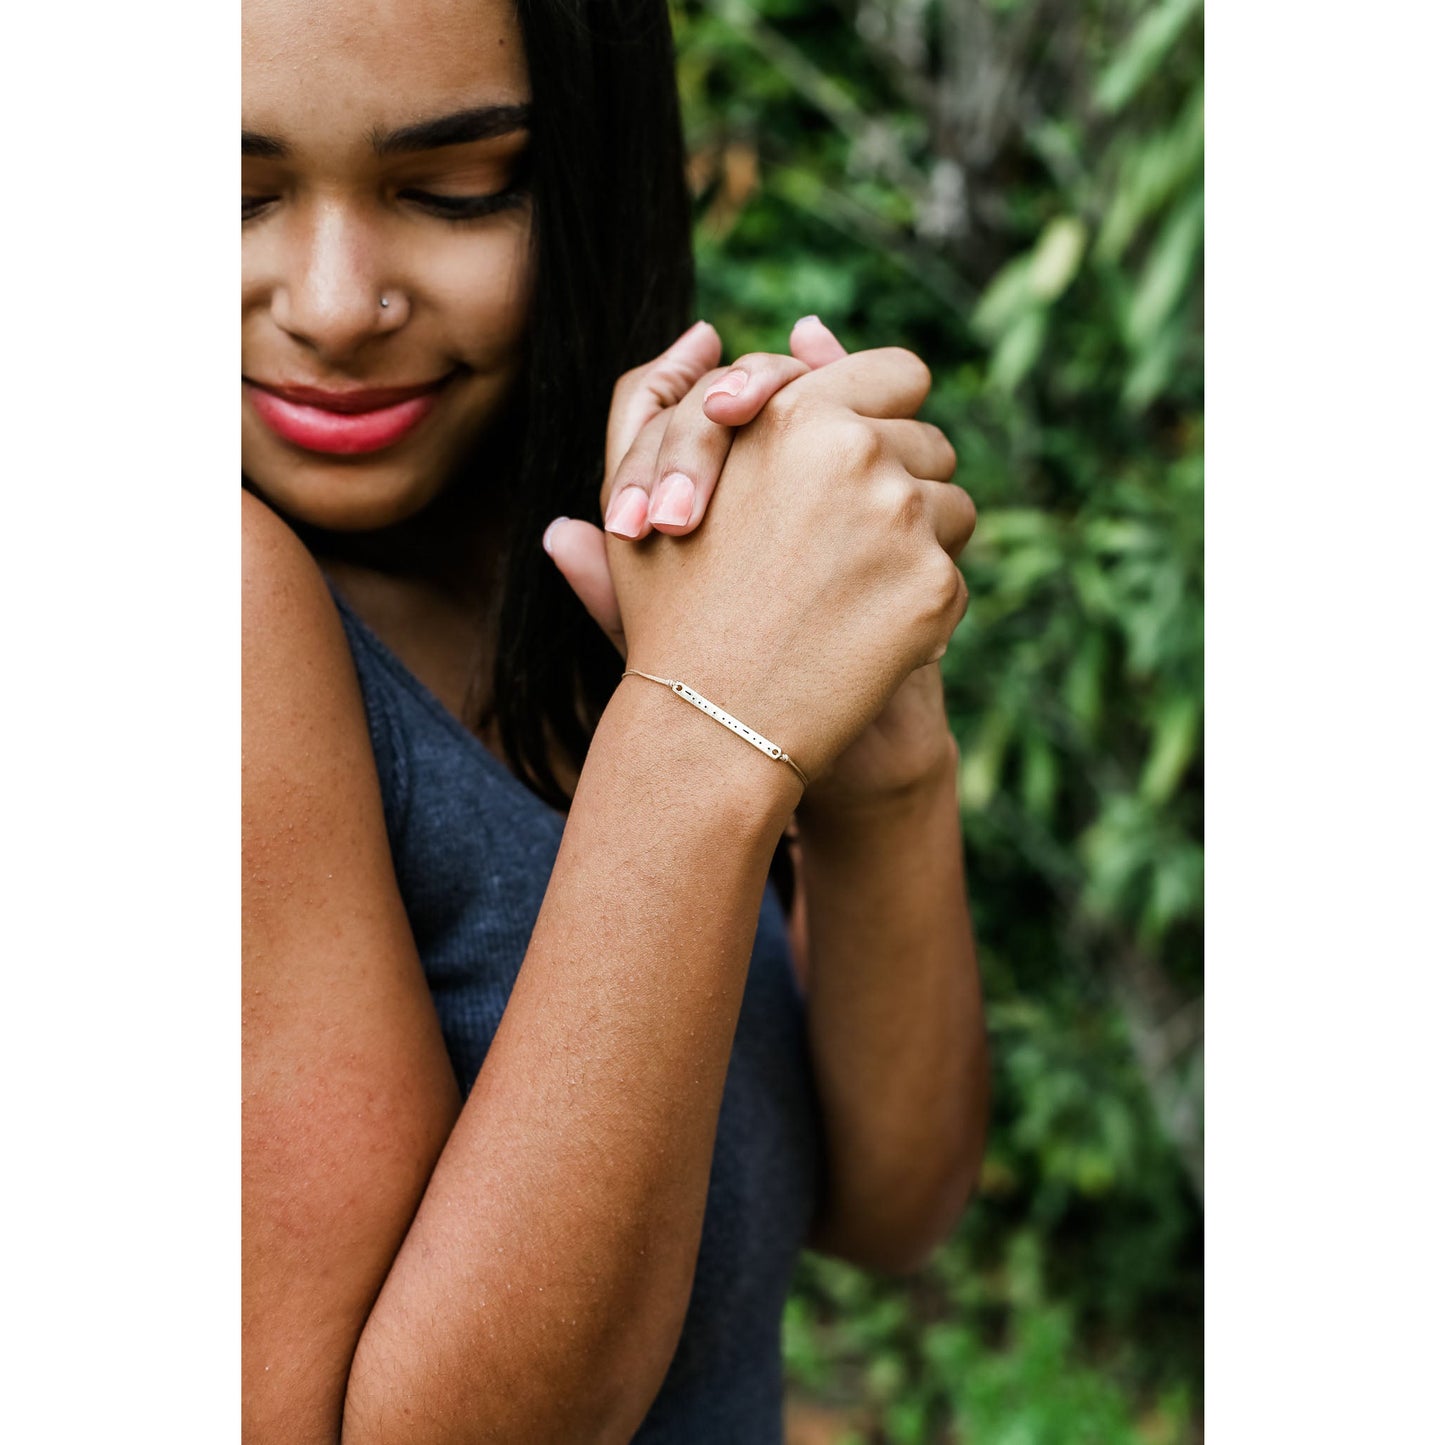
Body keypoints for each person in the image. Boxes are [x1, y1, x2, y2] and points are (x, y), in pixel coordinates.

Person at [241, 0, 990, 1439]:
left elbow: (888, 1204)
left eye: (458, 188)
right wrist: (701, 740)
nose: (334, 304)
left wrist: (881, 766)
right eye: (228, 197)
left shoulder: (586, 567)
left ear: (591, 178)